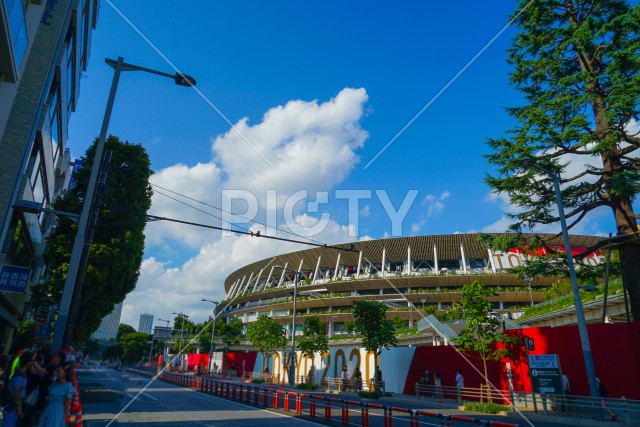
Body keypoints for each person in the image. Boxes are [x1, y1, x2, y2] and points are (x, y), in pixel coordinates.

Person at [2, 352, 33, 427]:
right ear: (28, 362)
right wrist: (19, 405)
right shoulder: (20, 375)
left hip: (10, 404)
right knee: (8, 423)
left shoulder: (20, 373)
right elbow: (16, 391)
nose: (34, 362)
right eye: (33, 360)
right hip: (11, 404)